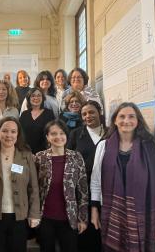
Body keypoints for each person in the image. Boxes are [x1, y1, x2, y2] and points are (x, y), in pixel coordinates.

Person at [90, 102, 155, 252]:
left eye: (131, 116)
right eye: (121, 116)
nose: (126, 120)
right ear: (114, 120)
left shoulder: (151, 147)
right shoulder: (104, 146)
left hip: (142, 214)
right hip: (113, 213)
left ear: (138, 120)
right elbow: (95, 180)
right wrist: (94, 210)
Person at [0, 117, 41, 252]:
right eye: (5, 131)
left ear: (18, 134)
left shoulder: (26, 156)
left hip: (19, 217)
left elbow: (33, 187)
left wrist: (34, 213)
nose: (9, 135)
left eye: (13, 131)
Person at [35, 120, 89, 252]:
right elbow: (30, 184)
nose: (58, 137)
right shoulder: (39, 157)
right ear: (47, 137)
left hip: (69, 219)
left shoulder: (76, 157)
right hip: (45, 218)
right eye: (53, 133)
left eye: (61, 133)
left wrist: (83, 218)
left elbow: (83, 190)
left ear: (67, 135)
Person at [67, 101, 106, 252]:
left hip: (105, 188)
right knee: (85, 230)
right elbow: (69, 160)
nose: (88, 116)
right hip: (82, 189)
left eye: (91, 112)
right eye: (84, 114)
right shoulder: (76, 134)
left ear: (99, 112)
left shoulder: (110, 133)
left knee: (103, 227)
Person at [19, 87, 55, 154]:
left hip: (44, 153)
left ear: (43, 98)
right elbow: (20, 134)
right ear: (29, 98)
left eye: (39, 95)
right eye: (33, 96)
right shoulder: (24, 114)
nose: (36, 98)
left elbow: (52, 133)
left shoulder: (49, 113)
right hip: (26, 152)